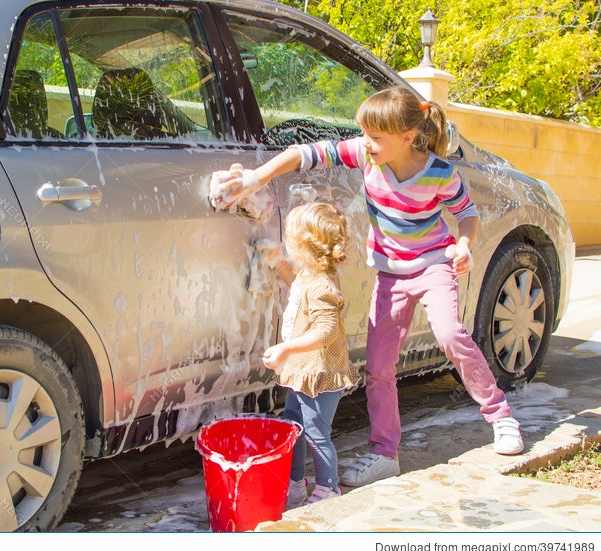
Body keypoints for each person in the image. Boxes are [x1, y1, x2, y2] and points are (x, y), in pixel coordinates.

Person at [216, 86, 524, 490]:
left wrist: (464, 243)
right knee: (379, 367)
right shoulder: (364, 154)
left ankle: (500, 416)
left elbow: (466, 213)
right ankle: (384, 454)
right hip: (389, 273)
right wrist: (256, 176)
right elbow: (304, 155)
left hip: (433, 265)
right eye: (364, 134)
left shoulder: (439, 172)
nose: (366, 144)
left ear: (408, 137)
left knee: (450, 334)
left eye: (376, 137)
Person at [259, 202, 360, 508]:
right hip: (302, 370)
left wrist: (286, 348)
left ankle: (328, 487)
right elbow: (296, 286)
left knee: (316, 432)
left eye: (290, 239)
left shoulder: (323, 285)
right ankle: (295, 481)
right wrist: (278, 263)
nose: (287, 242)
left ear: (305, 246)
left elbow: (326, 331)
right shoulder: (310, 275)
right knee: (293, 426)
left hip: (320, 374)